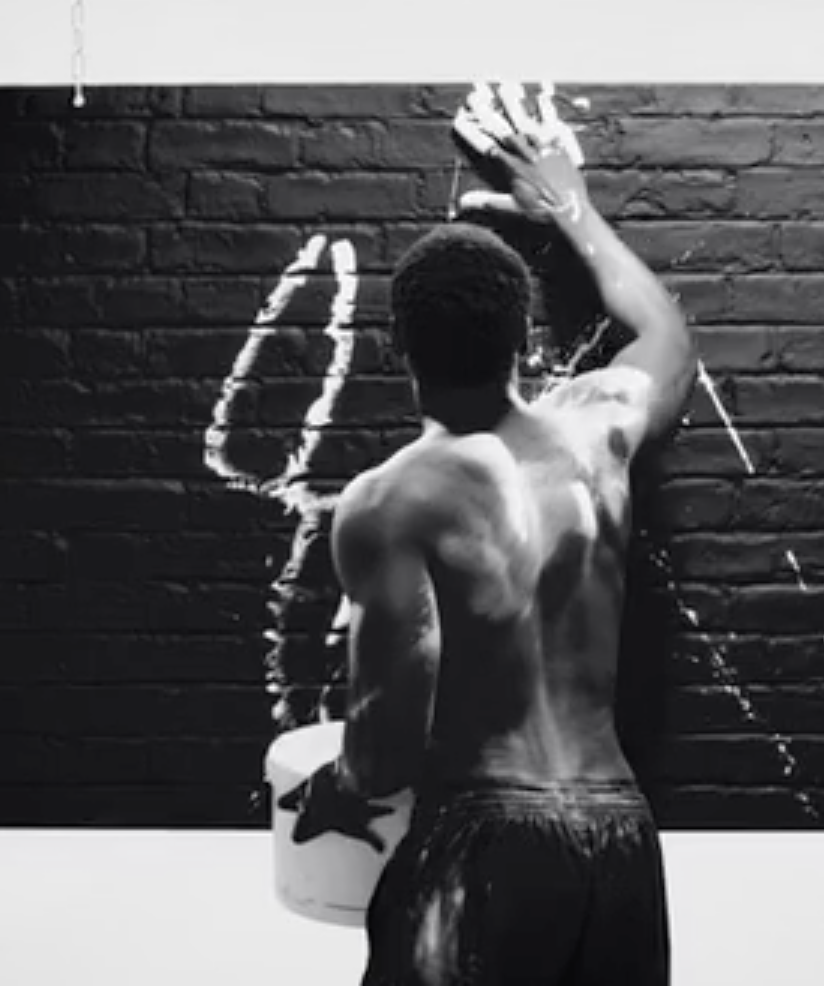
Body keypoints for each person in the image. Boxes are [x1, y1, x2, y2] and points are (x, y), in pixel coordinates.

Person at [291, 84, 695, 985]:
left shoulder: (387, 501)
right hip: (620, 842)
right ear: (522, 337)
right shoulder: (601, 430)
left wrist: (341, 776)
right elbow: (665, 335)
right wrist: (571, 210)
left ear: (399, 347)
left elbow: (387, 750)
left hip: (485, 844)